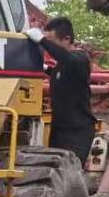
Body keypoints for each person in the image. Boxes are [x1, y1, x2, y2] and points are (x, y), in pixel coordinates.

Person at [25, 18, 96, 164]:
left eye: (51, 40)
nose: (48, 46)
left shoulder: (79, 59)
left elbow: (69, 61)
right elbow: (57, 72)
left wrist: (42, 40)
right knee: (55, 172)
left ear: (67, 39)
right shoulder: (62, 65)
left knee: (70, 171)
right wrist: (44, 69)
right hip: (59, 130)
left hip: (77, 132)